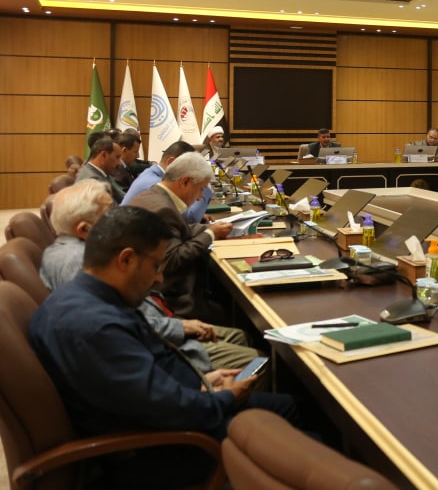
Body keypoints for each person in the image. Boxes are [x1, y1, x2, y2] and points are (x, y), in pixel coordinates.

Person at [28, 206, 301, 489]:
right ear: (126, 259)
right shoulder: (94, 327)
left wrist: (203, 381)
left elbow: (138, 387)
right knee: (304, 424)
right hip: (164, 448)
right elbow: (165, 409)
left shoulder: (83, 298)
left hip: (170, 414)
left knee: (292, 406)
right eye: (156, 266)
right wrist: (225, 399)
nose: (159, 278)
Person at [41, 181, 259, 372]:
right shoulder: (77, 262)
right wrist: (178, 328)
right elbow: (117, 324)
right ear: (83, 229)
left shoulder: (73, 250)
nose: (118, 220)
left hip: (157, 323)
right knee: (255, 358)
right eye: (108, 216)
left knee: (241, 337)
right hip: (158, 347)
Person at [125, 152, 233, 321]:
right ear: (185, 182)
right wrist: (210, 234)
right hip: (170, 298)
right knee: (230, 311)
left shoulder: (154, 194)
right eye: (200, 189)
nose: (200, 196)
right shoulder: (163, 209)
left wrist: (209, 228)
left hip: (149, 289)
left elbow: (177, 229)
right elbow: (173, 259)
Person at [124, 140, 212, 224]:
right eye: (190, 169)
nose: (191, 175)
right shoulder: (155, 184)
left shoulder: (151, 173)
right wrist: (204, 184)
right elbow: (190, 218)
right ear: (171, 162)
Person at [76, 136, 125, 204]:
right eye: (117, 157)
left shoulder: (97, 172)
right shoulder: (94, 181)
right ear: (104, 155)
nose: (120, 163)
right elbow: (113, 209)